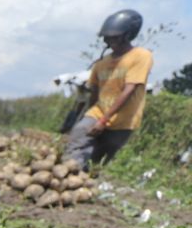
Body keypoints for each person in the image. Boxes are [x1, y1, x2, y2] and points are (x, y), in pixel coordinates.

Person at [65, 9, 153, 169]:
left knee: (98, 161)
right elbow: (94, 93)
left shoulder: (141, 56)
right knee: (78, 136)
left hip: (123, 121)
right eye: (107, 37)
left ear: (128, 35)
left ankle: (85, 185)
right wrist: (86, 115)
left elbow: (130, 89)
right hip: (97, 113)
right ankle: (66, 176)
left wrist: (104, 121)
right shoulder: (101, 63)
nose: (110, 40)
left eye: (115, 37)